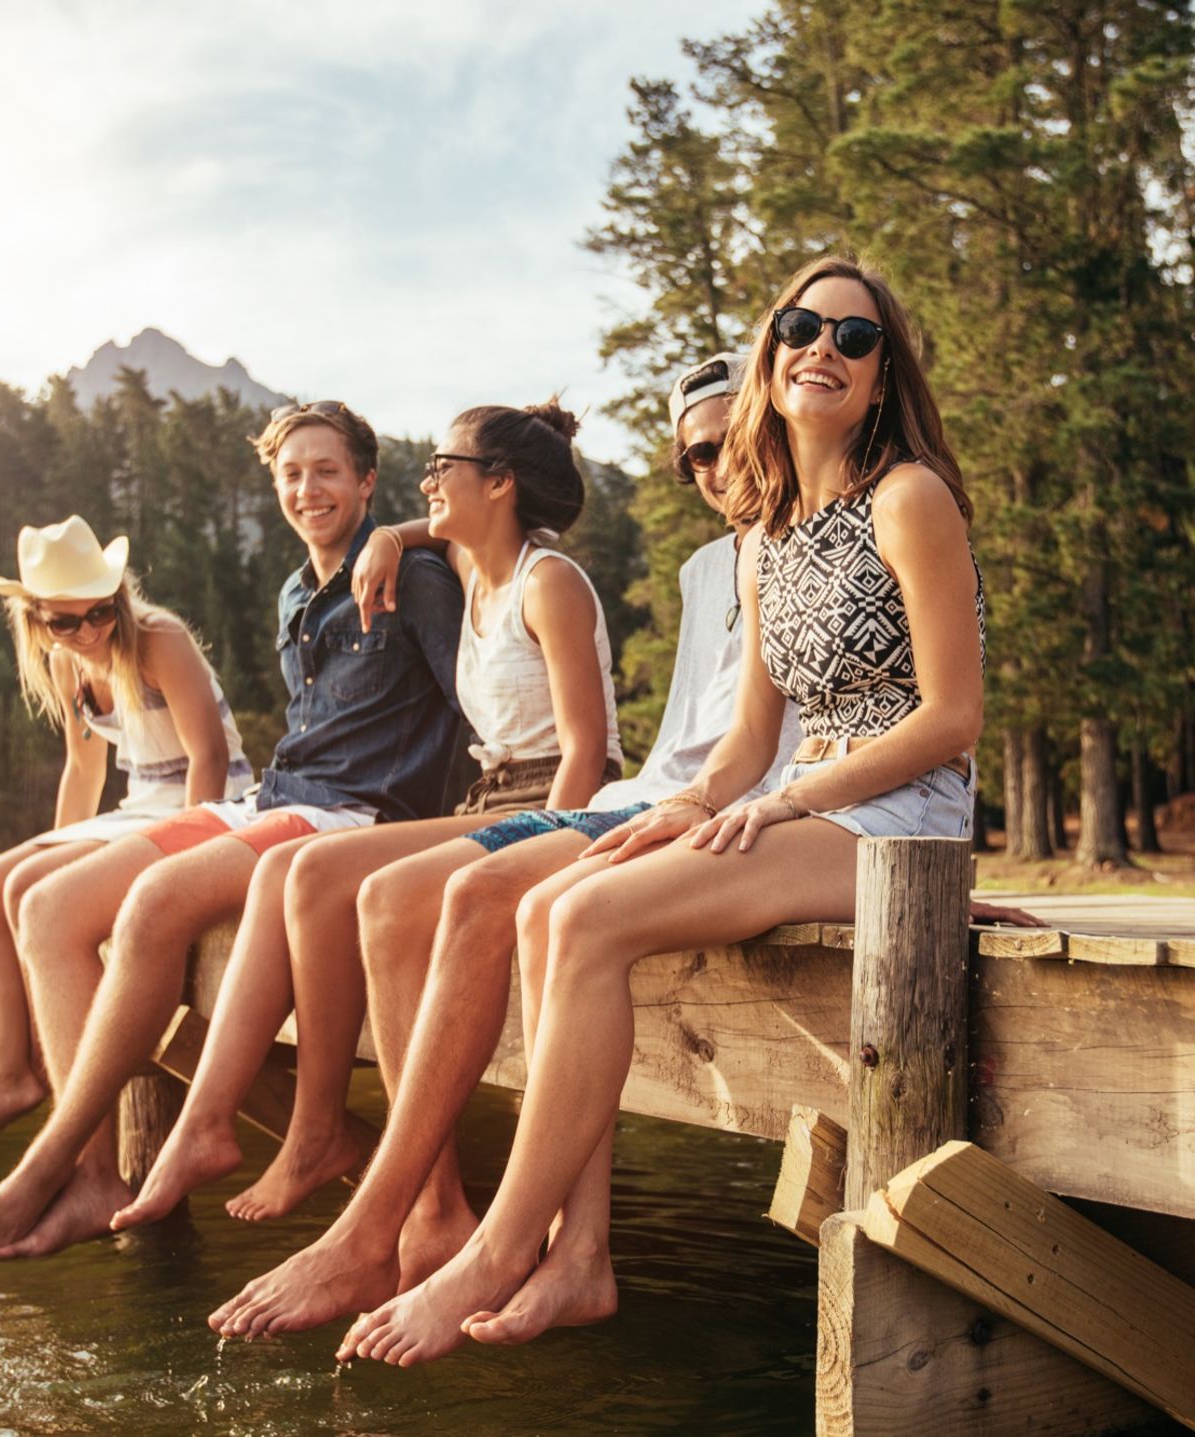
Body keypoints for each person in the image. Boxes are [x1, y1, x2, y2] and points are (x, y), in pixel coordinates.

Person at [317, 253, 989, 1366]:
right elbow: (741, 747)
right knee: (552, 904)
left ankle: (498, 1251)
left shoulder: (909, 498)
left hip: (902, 815)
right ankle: (578, 1263)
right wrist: (686, 810)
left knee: (583, 922)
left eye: (856, 340)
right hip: (798, 806)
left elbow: (952, 719)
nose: (826, 348)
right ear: (770, 359)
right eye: (802, 328)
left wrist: (788, 802)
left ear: (880, 379)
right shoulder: (766, 538)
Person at [200, 352, 807, 1342]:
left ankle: (423, 1228)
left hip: (692, 807)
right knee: (380, 895)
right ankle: (440, 1209)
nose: (711, 465)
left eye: (727, 442)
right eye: (692, 452)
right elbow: (695, 739)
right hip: (650, 795)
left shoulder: (571, 578)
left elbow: (646, 748)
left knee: (520, 908)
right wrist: (394, 532)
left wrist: (671, 812)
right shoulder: (711, 566)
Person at [0, 400, 465, 1266]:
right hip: (282, 797)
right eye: (291, 473)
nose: (307, 488)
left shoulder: (418, 578)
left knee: (151, 908)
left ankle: (53, 1161)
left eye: (327, 470)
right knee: (50, 908)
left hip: (353, 813)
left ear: (368, 480)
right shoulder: (298, 591)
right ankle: (95, 1172)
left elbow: (478, 681)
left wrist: (406, 534)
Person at [109, 398, 624, 1234]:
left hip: (553, 798)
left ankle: (423, 1199)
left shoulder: (551, 582)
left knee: (354, 885)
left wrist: (551, 851)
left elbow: (588, 750)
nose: (427, 482)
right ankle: (338, 1143)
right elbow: (435, 534)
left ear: (498, 484)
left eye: (442, 468)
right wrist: (390, 536)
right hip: (485, 796)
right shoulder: (467, 570)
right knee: (304, 870)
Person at [0, 515, 249, 1170]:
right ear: (36, 620)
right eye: (65, 621)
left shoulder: (159, 640)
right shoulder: (67, 665)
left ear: (117, 597)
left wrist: (186, 869)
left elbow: (212, 759)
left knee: (33, 893)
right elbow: (83, 772)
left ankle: (84, 1141)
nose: (87, 632)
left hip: (209, 807)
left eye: (100, 611)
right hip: (136, 807)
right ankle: (10, 1076)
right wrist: (55, 853)